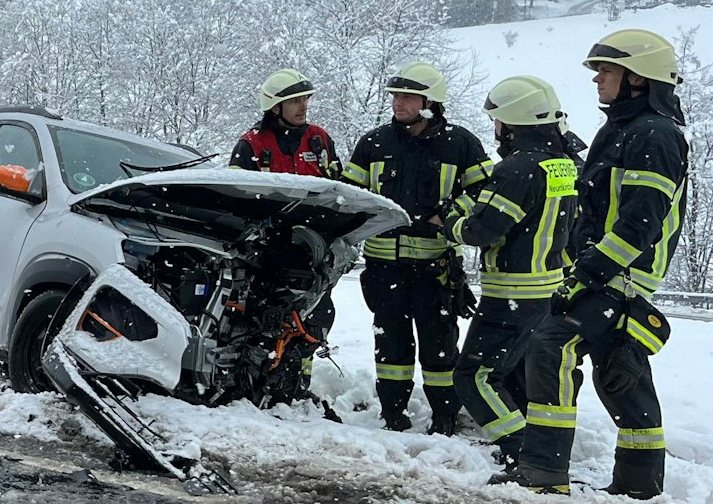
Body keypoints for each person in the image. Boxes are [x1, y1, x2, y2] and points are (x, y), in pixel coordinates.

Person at [501, 29, 689, 498]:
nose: (597, 79)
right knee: (620, 370)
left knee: (551, 345)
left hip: (619, 274)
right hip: (611, 271)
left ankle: (542, 473)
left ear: (639, 78)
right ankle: (639, 485)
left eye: (606, 70)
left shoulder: (654, 135)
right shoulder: (624, 129)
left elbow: (638, 223)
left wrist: (586, 274)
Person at [343, 63, 493, 433]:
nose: (398, 103)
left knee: (439, 346)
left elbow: (485, 192)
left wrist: (450, 214)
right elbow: (350, 196)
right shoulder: (373, 143)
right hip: (384, 268)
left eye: (408, 96)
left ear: (430, 102)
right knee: (390, 345)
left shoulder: (461, 144)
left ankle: (444, 417)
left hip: (435, 268)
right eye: (395, 96)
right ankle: (392, 413)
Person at [444, 76, 579, 459]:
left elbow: (485, 229)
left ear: (512, 122)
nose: (496, 129)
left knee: (473, 376)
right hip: (546, 291)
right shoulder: (562, 165)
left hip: (512, 293)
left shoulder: (517, 169)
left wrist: (450, 222)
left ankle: (519, 448)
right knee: (515, 376)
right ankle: (534, 448)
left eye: (497, 121)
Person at [230, 68, 341, 404]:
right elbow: (236, 198)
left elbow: (339, 188)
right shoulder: (251, 144)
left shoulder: (319, 140)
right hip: (267, 253)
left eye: (305, 99)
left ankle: (295, 384)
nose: (303, 106)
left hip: (313, 250)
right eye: (295, 100)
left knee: (316, 318)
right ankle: (254, 380)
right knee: (264, 317)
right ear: (274, 106)